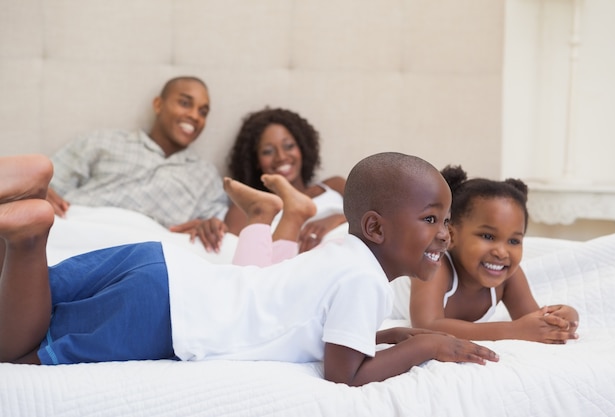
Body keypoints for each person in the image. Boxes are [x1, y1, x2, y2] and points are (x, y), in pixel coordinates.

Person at [0, 152, 499, 387]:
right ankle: (29, 235)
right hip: (167, 314)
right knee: (17, 353)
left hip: (160, 265)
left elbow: (320, 327)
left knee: (34, 300)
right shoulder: (364, 281)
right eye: (432, 219)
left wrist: (390, 335)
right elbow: (346, 373)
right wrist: (429, 345)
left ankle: (31, 204)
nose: (444, 234)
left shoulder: (341, 254)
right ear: (375, 227)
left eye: (448, 221)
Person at [46, 76, 229, 252]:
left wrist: (211, 226)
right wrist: (40, 192)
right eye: (185, 103)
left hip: (147, 253)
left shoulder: (205, 175)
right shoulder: (103, 141)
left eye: (203, 112)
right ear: (158, 105)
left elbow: (217, 227)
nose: (194, 116)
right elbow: (48, 186)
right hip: (78, 234)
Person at [409, 165, 580, 344]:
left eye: (514, 241)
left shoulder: (508, 275)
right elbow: (426, 326)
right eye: (488, 236)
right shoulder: (434, 261)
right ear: (451, 236)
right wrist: (514, 330)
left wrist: (562, 318)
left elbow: (532, 320)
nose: (501, 252)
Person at [221, 107, 346, 254]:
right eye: (268, 151)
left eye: (289, 146)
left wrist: (339, 218)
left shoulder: (335, 185)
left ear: (302, 148)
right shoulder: (249, 207)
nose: (281, 157)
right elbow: (235, 257)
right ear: (255, 161)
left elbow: (376, 215)